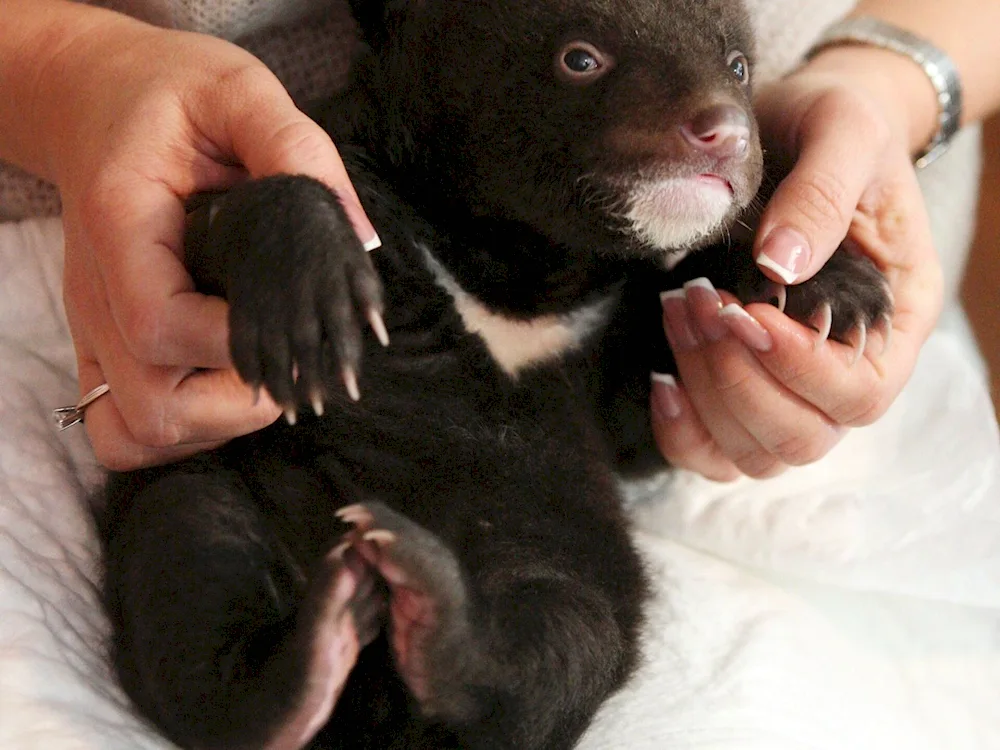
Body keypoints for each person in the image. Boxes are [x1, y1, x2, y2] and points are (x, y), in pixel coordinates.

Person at [0, 0, 996, 476]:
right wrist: (65, 68)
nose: (713, 111)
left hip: (750, 416)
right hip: (135, 332)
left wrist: (891, 79)